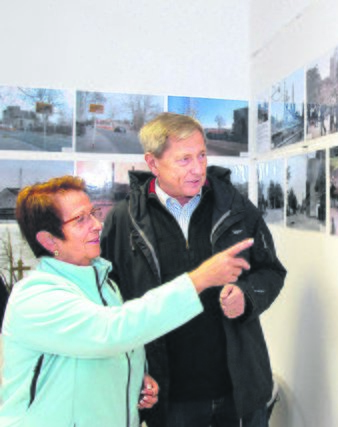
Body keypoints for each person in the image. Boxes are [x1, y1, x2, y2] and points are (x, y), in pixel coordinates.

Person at [0, 176, 253, 426]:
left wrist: (133, 378)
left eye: (93, 212)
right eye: (81, 219)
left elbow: (104, 349)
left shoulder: (104, 285)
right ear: (49, 240)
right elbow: (111, 331)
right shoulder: (36, 297)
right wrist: (198, 279)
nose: (97, 224)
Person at [100, 113, 286, 427]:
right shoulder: (123, 220)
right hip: (169, 398)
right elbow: (110, 304)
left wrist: (247, 295)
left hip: (238, 389)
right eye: (184, 159)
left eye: (201, 155)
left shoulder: (236, 209)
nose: (198, 169)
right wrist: (131, 368)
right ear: (153, 162)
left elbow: (270, 272)